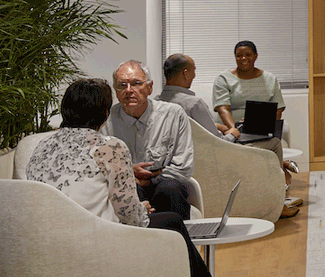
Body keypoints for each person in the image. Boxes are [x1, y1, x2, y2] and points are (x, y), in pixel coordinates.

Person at [24, 78, 226, 277]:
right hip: (95, 237)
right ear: (104, 112)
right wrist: (142, 210)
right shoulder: (108, 147)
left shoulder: (42, 146)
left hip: (47, 238)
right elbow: (130, 214)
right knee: (171, 222)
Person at [105, 60, 197, 218]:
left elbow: (183, 167)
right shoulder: (106, 119)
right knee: (129, 191)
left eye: (136, 83)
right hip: (126, 183)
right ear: (115, 90)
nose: (129, 90)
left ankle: (179, 234)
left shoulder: (173, 114)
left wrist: (149, 181)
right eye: (122, 85)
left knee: (169, 189)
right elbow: (100, 167)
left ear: (150, 87)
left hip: (166, 183)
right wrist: (128, 172)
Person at [213, 40, 294, 180]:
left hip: (262, 128)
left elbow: (277, 110)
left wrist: (266, 126)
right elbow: (222, 109)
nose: (243, 58)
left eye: (248, 55)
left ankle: (279, 177)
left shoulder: (269, 79)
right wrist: (235, 130)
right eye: (239, 56)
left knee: (271, 141)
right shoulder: (223, 79)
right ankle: (283, 166)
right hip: (235, 129)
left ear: (256, 56)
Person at [157, 53, 224, 140]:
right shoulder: (194, 105)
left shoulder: (155, 103)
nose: (194, 75)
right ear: (186, 74)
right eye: (193, 71)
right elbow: (216, 140)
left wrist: (214, 125)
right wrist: (232, 134)